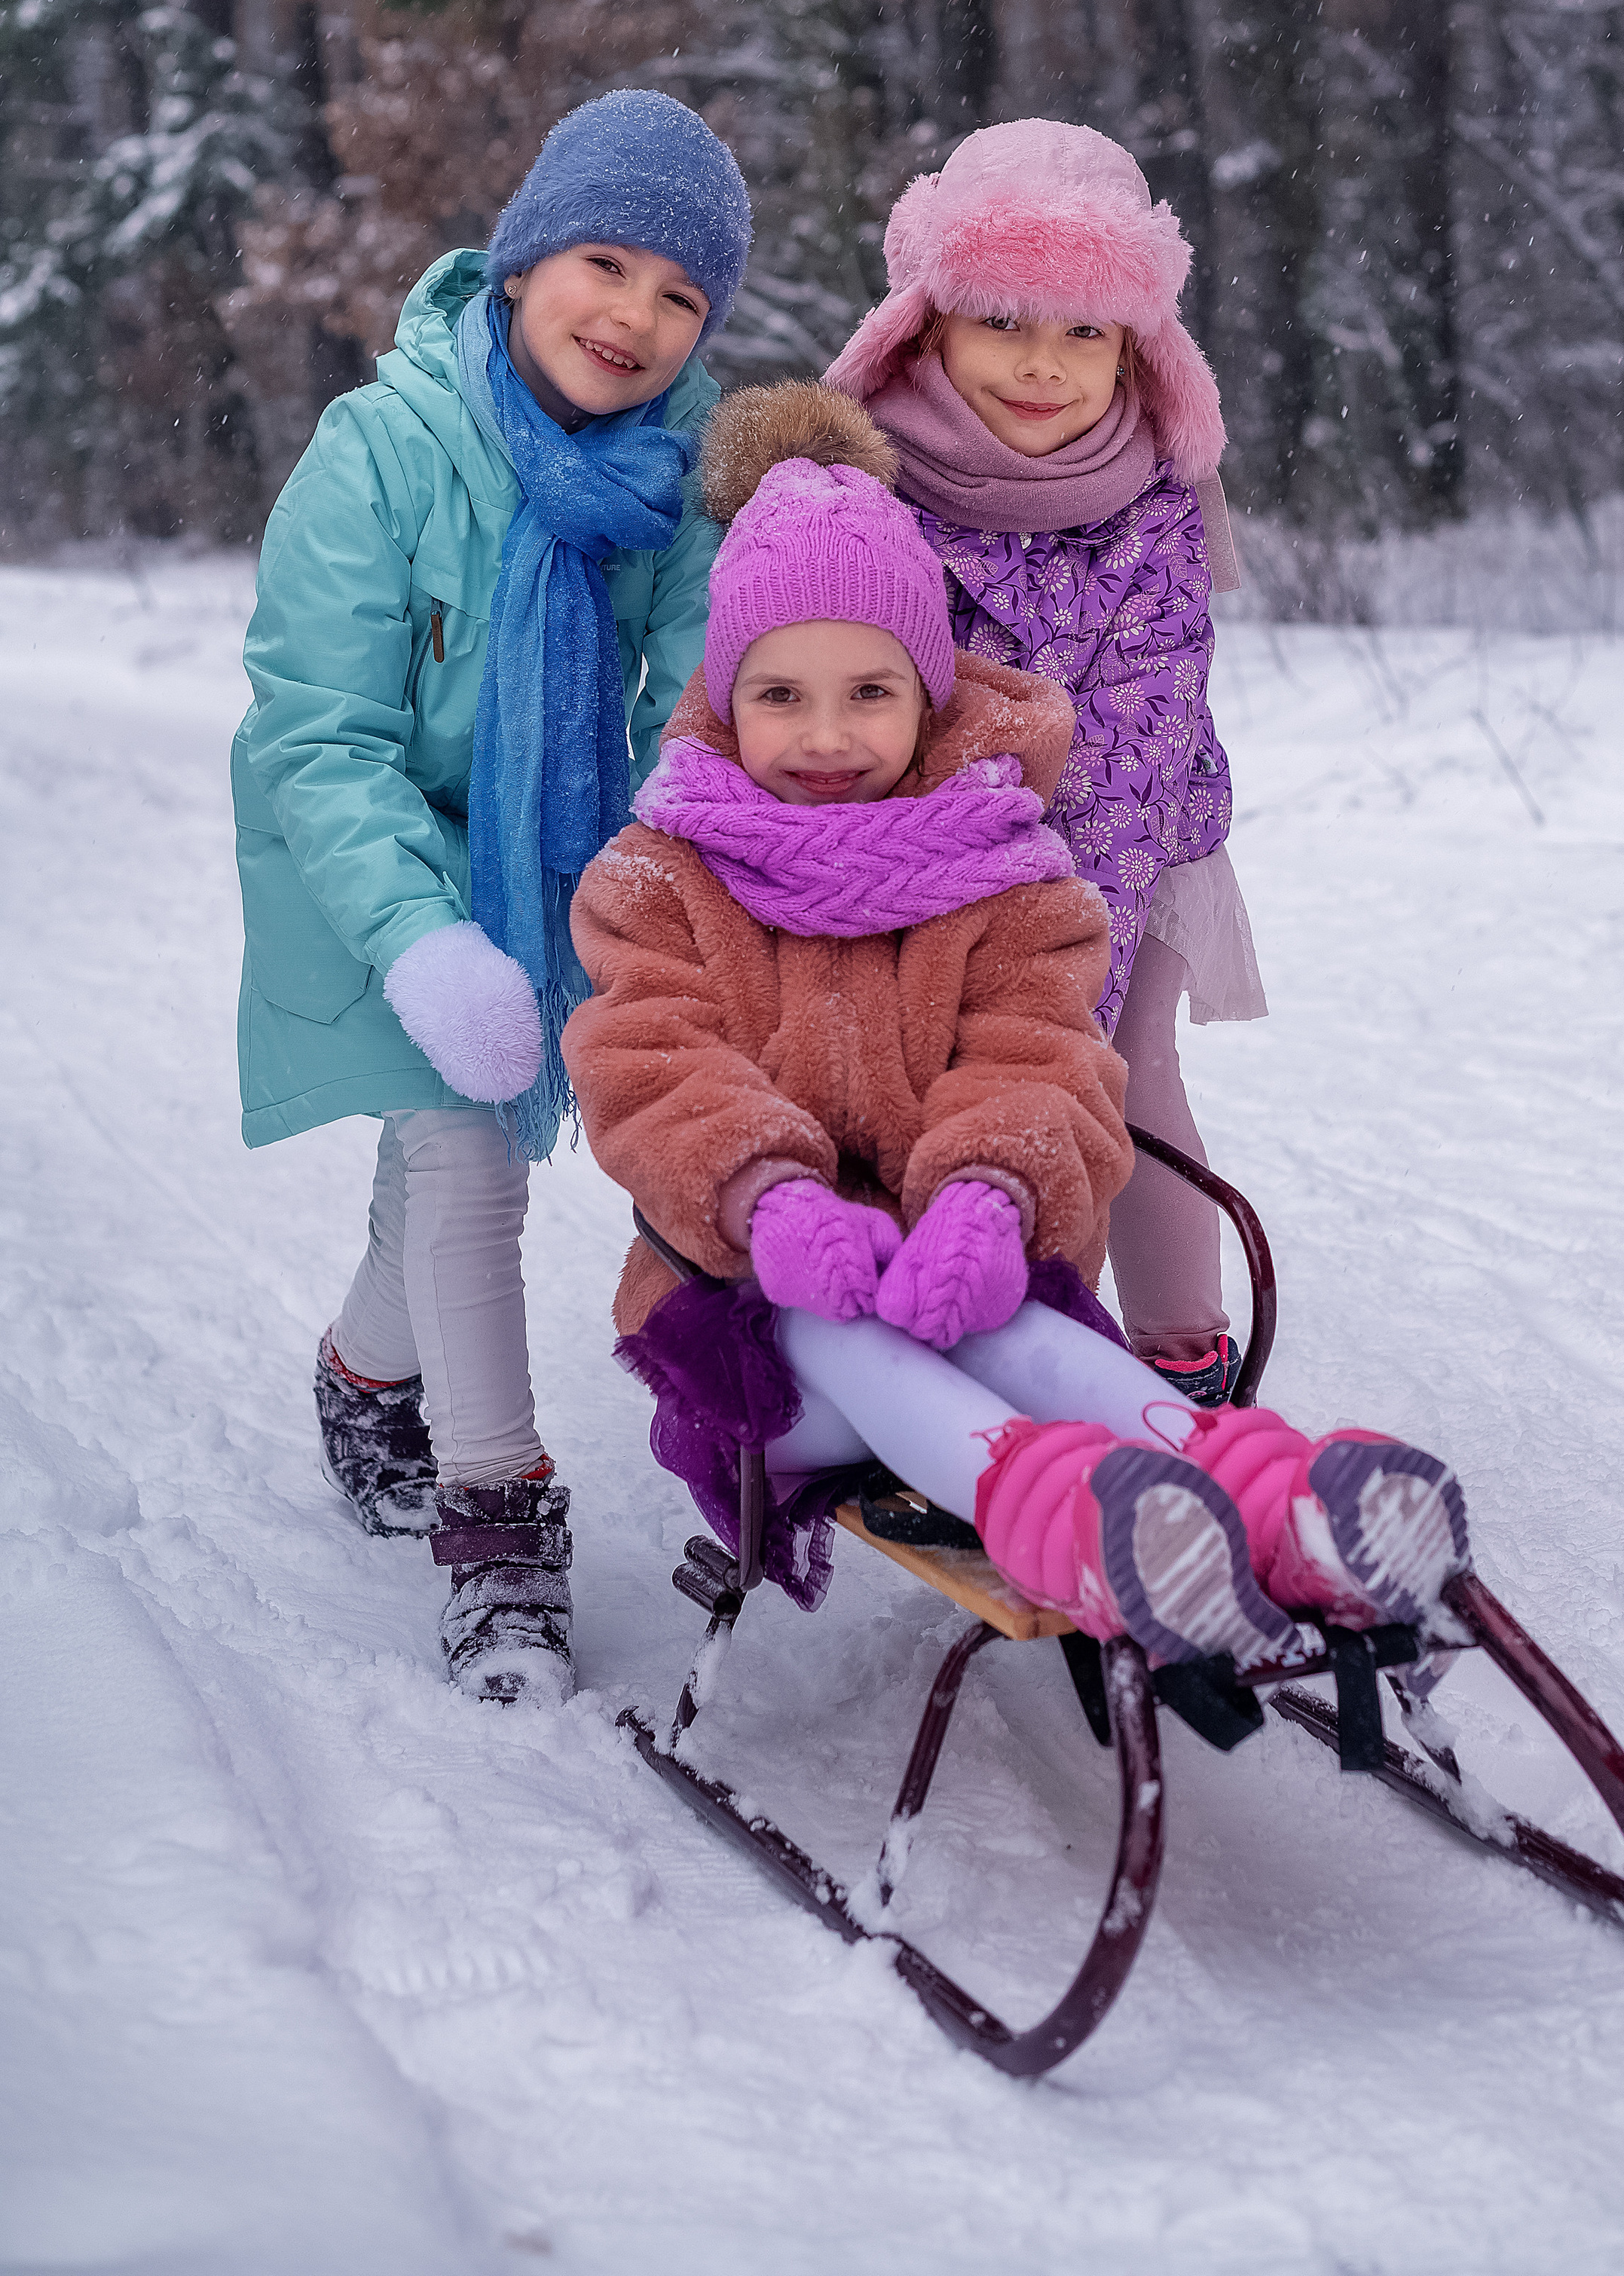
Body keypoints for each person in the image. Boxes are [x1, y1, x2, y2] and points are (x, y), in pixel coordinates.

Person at [563, 384, 1467, 1663]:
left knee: (1025, 1331)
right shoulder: (662, 880)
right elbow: (649, 1061)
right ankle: (1093, 1534)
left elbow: (1039, 1052)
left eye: (870, 691)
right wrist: (768, 1197)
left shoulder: (1007, 870)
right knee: (854, 1334)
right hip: (753, 1331)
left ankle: (1262, 1495)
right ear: (727, 694)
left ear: (929, 694)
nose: (828, 735)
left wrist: (990, 1194)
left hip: (953, 1269)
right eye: (783, 695)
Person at [232, 87, 751, 1705]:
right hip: (372, 855)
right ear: (521, 262)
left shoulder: (670, 471)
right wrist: (421, 935)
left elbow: (703, 690)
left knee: (436, 1155)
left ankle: (362, 1375)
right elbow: (322, 735)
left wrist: (660, 865)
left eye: (683, 296)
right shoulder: (379, 449)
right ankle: (498, 1520)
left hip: (557, 856)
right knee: (465, 1150)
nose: (638, 318)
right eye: (607, 263)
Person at [821, 121, 1264, 1403]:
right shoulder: (868, 483)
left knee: (1111, 1078)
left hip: (1134, 844)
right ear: (928, 323)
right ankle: (948, 1327)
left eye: (1088, 334)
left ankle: (1180, 1358)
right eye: (1007, 319)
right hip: (921, 855)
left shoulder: (1154, 495)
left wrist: (1059, 972)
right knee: (926, 1090)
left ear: (1138, 347)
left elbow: (1147, 721)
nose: (1045, 367)